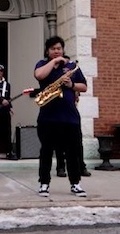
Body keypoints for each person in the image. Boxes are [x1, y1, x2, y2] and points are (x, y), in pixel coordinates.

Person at [32, 36, 87, 198]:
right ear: (47, 51)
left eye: (59, 48)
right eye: (53, 49)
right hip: (48, 117)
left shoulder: (72, 67)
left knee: (73, 152)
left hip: (69, 117)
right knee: (46, 152)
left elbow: (83, 86)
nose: (56, 51)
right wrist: (53, 62)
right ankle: (44, 183)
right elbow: (39, 76)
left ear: (63, 50)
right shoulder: (42, 64)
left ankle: (75, 183)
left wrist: (71, 85)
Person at [0, 65, 17, 160]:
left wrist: (10, 107)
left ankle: (9, 151)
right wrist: (1, 100)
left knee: (7, 131)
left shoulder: (7, 84)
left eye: (1, 71)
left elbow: (8, 97)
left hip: (4, 110)